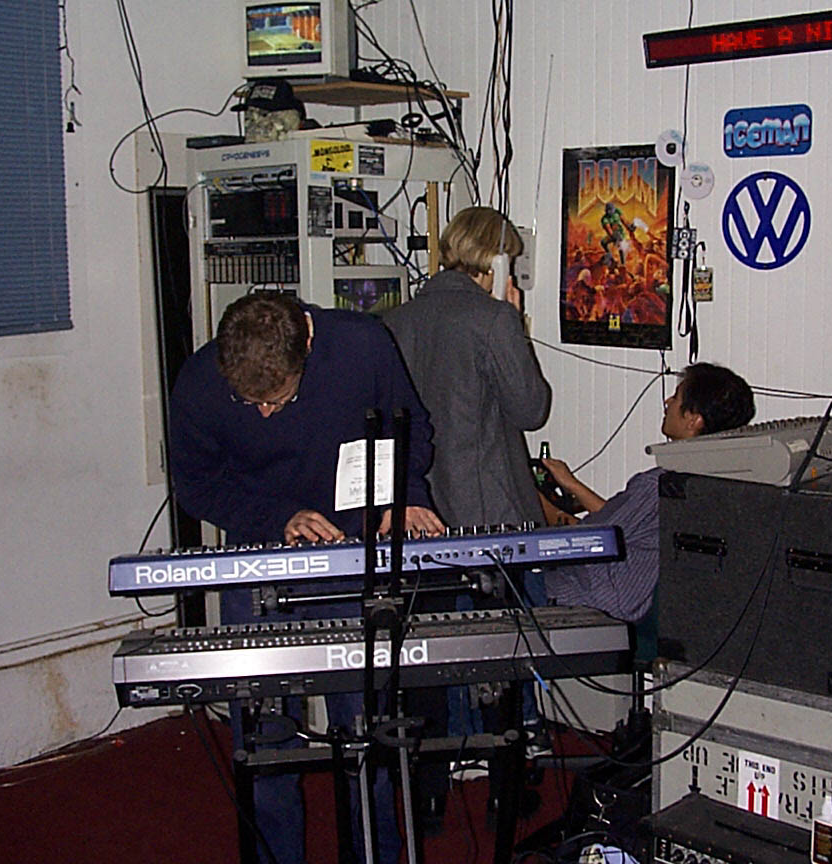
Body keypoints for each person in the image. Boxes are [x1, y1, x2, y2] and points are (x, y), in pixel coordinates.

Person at [168, 291, 445, 864]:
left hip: (352, 556)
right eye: (250, 403)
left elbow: (410, 428)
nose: (266, 415)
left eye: (279, 399)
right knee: (266, 743)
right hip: (259, 562)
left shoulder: (363, 345)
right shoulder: (200, 381)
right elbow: (196, 485)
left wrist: (405, 496)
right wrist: (277, 519)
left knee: (367, 735)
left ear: (309, 345)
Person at [384, 206, 552, 824]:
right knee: (503, 647)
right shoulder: (493, 318)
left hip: (420, 512)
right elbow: (532, 409)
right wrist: (516, 324)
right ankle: (508, 774)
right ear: (498, 261)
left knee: (433, 649)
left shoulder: (397, 319)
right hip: (491, 514)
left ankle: (436, 778)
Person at [542, 362, 755, 622]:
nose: (668, 402)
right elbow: (625, 521)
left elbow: (587, 540)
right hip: (625, 600)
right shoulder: (706, 480)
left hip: (591, 598)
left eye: (676, 397)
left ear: (693, 419)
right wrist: (572, 484)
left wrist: (538, 502)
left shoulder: (657, 485)